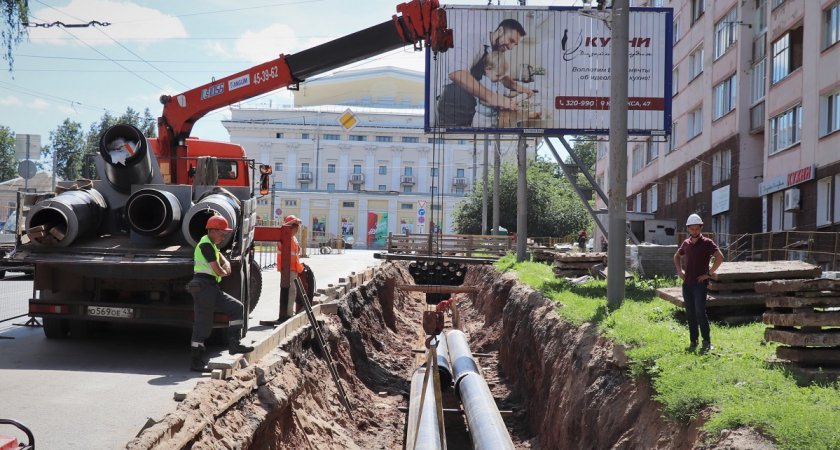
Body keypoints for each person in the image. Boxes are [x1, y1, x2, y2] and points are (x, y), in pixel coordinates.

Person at [435, 18, 533, 127]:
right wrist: (494, 98)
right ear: (500, 31)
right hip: (453, 106)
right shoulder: (473, 41)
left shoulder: (496, 50)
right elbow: (457, 73)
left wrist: (520, 88)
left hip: (470, 106)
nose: (511, 47)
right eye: (511, 40)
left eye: (514, 44)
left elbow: (501, 76)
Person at [186, 215, 253, 372]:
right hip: (204, 287)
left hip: (210, 287)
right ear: (213, 230)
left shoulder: (210, 244)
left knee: (237, 308)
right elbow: (218, 270)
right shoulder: (206, 245)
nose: (224, 236)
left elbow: (222, 259)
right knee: (203, 326)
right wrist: (225, 271)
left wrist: (226, 263)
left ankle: (234, 344)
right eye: (222, 233)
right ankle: (196, 362)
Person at [673, 214, 724, 355]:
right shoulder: (686, 243)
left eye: (697, 228)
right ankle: (693, 341)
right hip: (687, 285)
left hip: (700, 284)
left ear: (701, 228)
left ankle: (706, 341)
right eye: (692, 229)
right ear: (688, 229)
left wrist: (708, 274)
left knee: (700, 311)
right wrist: (679, 270)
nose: (694, 231)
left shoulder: (707, 243)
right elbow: (676, 256)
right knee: (690, 313)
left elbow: (720, 257)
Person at [275, 215, 304, 322]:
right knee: (290, 292)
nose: (297, 230)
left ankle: (288, 314)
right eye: (296, 227)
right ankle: (287, 315)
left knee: (292, 292)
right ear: (291, 227)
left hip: (293, 269)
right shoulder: (284, 238)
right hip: (287, 269)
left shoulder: (293, 239)